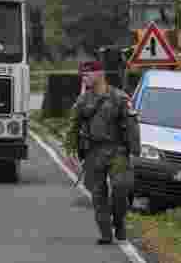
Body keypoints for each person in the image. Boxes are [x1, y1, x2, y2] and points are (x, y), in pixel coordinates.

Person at [65, 60, 141, 244]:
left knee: (121, 187)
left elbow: (132, 125)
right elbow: (73, 126)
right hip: (93, 152)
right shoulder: (83, 100)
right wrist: (70, 150)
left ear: (100, 74)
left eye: (87, 74)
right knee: (98, 194)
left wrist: (134, 151)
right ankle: (106, 233)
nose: (84, 78)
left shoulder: (119, 97)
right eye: (82, 75)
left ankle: (119, 221)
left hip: (117, 150)